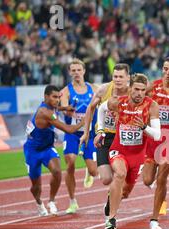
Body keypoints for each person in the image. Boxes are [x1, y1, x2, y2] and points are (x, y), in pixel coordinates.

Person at [101, 74, 161, 229]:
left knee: (125, 192)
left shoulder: (152, 105)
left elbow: (157, 134)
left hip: (138, 155)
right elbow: (101, 108)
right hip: (118, 150)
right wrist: (100, 130)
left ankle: (111, 199)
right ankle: (111, 219)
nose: (139, 93)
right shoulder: (118, 102)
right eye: (136, 89)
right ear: (130, 89)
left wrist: (144, 128)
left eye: (142, 90)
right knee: (119, 174)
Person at [79, 63, 131, 220]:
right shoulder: (104, 90)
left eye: (121, 77)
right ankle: (111, 191)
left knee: (120, 176)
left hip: (122, 138)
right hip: (104, 137)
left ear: (128, 78)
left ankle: (112, 200)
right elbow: (90, 108)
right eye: (115, 76)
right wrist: (86, 132)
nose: (118, 79)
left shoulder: (132, 93)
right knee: (106, 179)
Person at [23, 85, 84, 216]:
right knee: (36, 187)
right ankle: (39, 202)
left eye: (58, 97)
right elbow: (69, 129)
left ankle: (51, 201)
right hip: (32, 151)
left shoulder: (50, 107)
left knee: (57, 171)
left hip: (47, 148)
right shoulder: (45, 113)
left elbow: (56, 108)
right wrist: (85, 119)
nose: (57, 100)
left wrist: (65, 108)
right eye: (54, 97)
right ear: (46, 97)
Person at [142, 57, 169, 229]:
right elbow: (137, 96)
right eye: (165, 69)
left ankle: (154, 219)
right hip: (152, 139)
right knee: (147, 180)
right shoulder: (154, 85)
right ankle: (161, 197)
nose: (167, 72)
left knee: (161, 180)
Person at [59, 59, 98, 214]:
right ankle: (72, 201)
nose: (76, 73)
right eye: (73, 70)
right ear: (69, 73)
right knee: (70, 164)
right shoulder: (66, 91)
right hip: (72, 134)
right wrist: (68, 110)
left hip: (89, 134)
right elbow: (63, 108)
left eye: (78, 70)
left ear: (84, 71)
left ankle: (90, 171)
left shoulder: (94, 89)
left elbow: (102, 104)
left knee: (95, 172)